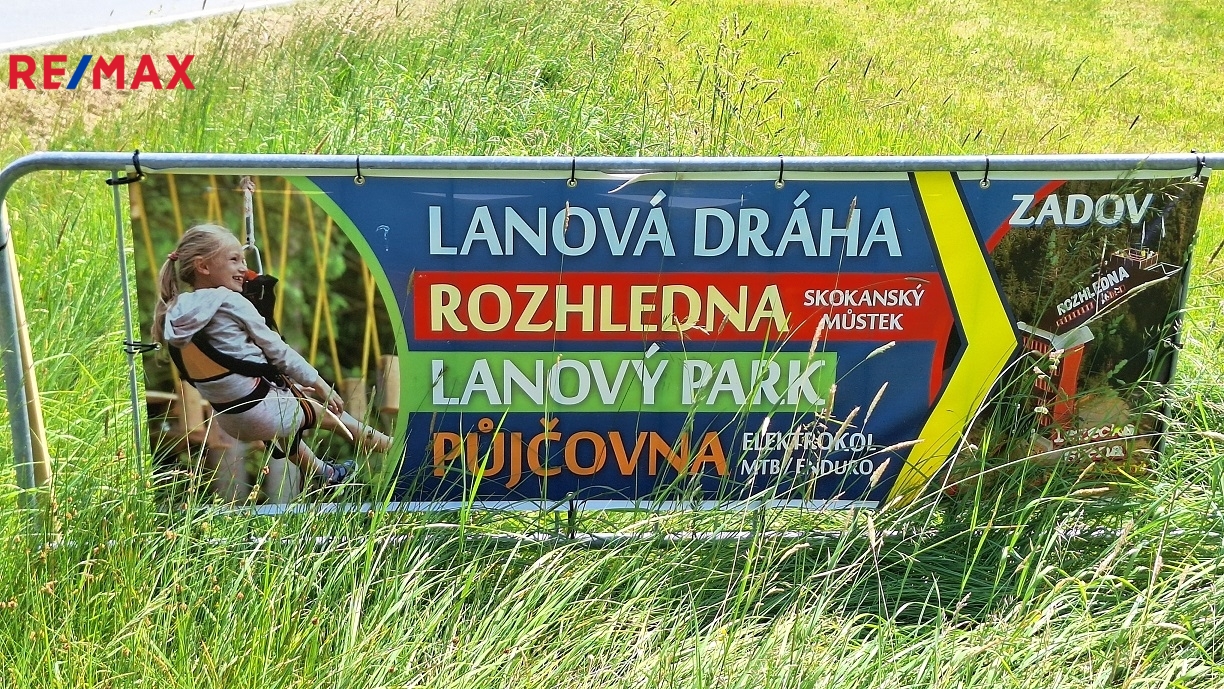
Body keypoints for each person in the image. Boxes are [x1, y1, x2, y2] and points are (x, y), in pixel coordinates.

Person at [152, 224, 391, 488]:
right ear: (203, 266)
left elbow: (230, 362)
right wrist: (320, 384)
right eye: (234, 259)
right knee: (332, 416)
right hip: (261, 411)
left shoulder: (172, 311)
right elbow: (278, 351)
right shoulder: (230, 301)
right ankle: (397, 448)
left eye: (243, 260)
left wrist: (286, 387)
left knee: (289, 413)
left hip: (231, 419)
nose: (243, 268)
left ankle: (323, 473)